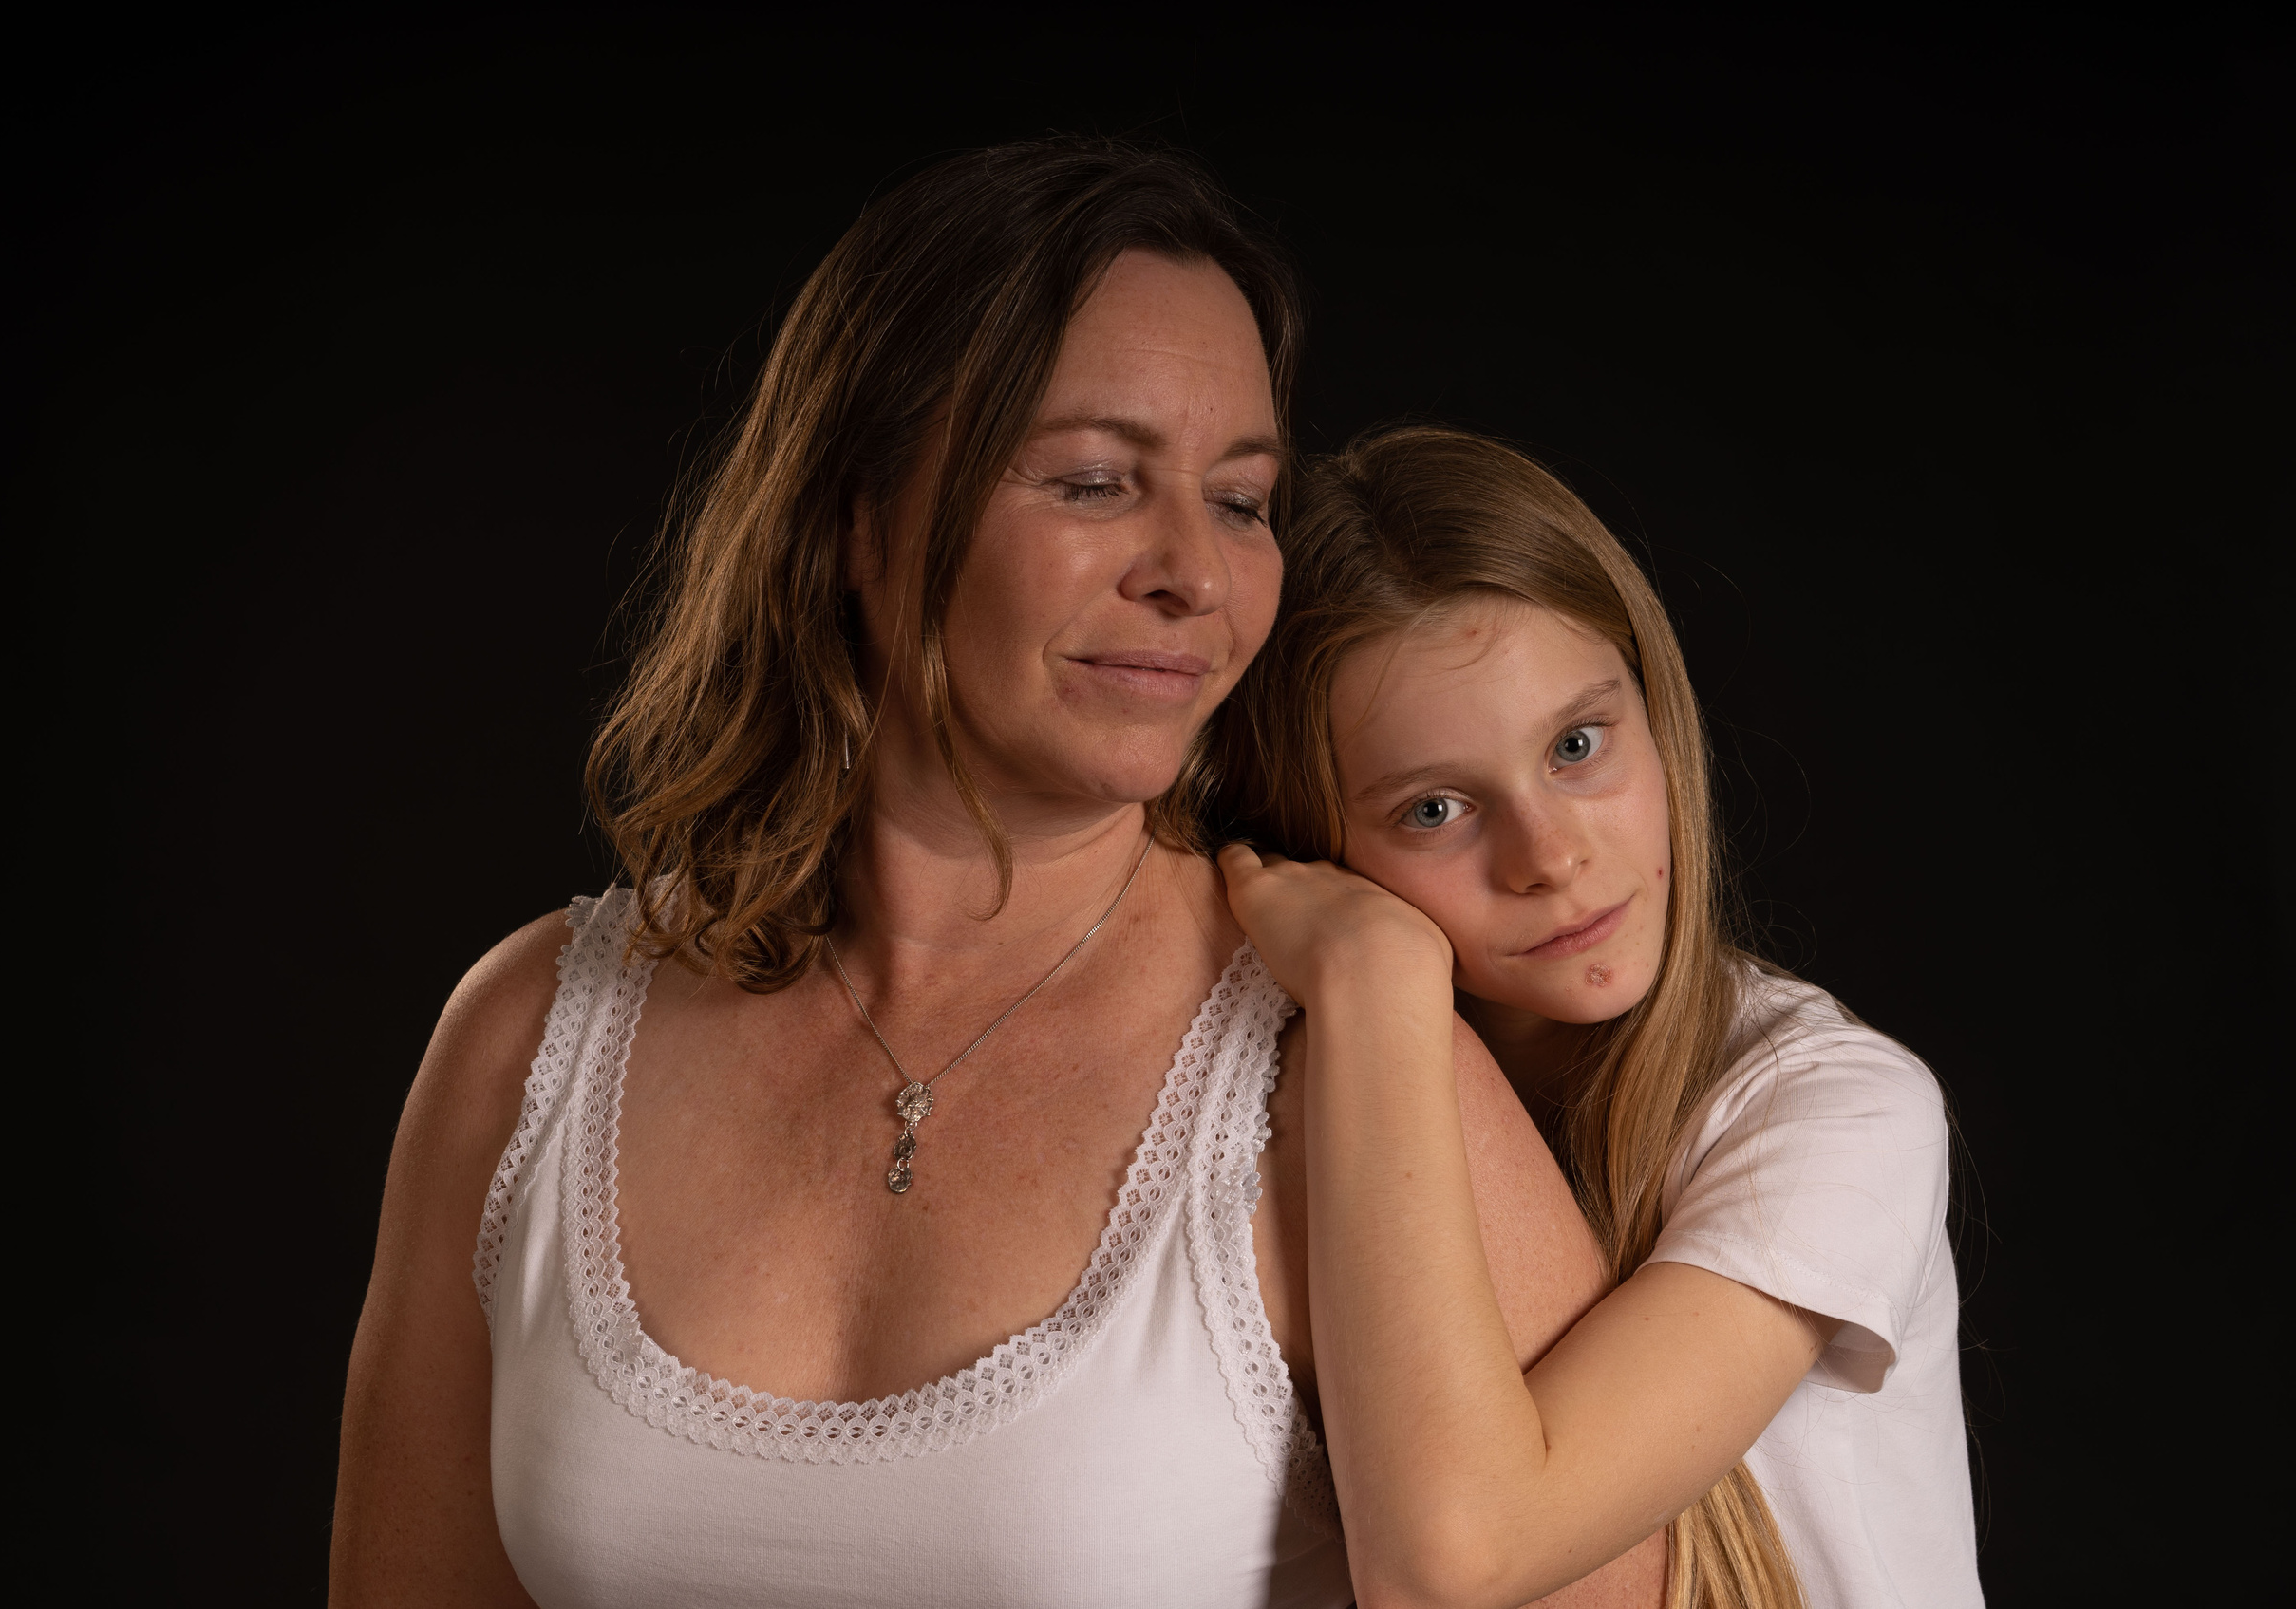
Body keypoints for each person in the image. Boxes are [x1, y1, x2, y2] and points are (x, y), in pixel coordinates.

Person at [329, 145, 1660, 1608]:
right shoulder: (530, 1035)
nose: (1192, 576)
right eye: (1095, 480)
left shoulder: (1337, 1061)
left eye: (1238, 499)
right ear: (858, 512)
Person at [1214, 424, 1984, 1609]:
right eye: (1433, 809)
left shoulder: (1834, 1108)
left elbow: (1454, 1564)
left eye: (1576, 746)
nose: (1550, 856)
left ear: (1654, 707)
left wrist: (1375, 986)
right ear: (1318, 848)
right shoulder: (1273, 1102)